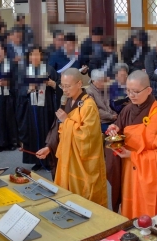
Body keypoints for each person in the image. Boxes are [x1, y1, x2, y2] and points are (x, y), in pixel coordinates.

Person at [106, 70, 157, 218]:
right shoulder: (127, 109)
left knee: (151, 213)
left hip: (149, 173)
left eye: (136, 91)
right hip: (130, 171)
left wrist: (133, 155)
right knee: (132, 206)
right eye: (128, 91)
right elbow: (119, 130)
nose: (131, 95)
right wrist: (114, 129)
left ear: (148, 90)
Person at [36, 68, 108, 207]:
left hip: (81, 162)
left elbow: (87, 136)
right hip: (66, 158)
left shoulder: (88, 105)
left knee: (83, 200)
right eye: (62, 86)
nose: (64, 90)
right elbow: (57, 127)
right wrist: (49, 147)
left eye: (68, 86)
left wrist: (67, 121)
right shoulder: (66, 101)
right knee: (66, 196)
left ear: (79, 83)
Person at [17, 47, 57, 171]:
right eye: (32, 55)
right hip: (31, 108)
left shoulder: (49, 69)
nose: (34, 57)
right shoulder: (24, 71)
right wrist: (29, 88)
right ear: (29, 57)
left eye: (37, 54)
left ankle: (49, 160)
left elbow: (59, 86)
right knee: (34, 133)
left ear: (41, 56)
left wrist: (53, 84)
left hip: (46, 108)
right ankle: (36, 160)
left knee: (47, 133)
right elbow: (18, 90)